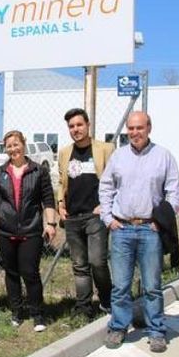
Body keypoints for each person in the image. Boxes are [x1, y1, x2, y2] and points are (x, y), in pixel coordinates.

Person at [99, 111, 179, 353]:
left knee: (152, 286)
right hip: (122, 228)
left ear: (149, 128)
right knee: (121, 285)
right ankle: (118, 327)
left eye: (140, 128)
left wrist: (162, 221)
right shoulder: (118, 156)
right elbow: (105, 188)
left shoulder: (163, 156)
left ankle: (156, 331)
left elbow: (175, 192)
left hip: (150, 230)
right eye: (131, 128)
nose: (135, 133)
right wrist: (107, 219)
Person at [0, 130, 56, 332]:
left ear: (23, 144)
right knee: (12, 273)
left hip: (31, 230)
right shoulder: (0, 173)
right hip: (6, 231)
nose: (13, 149)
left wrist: (50, 224)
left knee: (30, 272)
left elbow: (48, 198)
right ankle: (16, 312)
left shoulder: (38, 171)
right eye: (9, 146)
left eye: (16, 144)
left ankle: (37, 314)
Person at [57, 108, 114, 319]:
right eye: (71, 126)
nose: (75, 129)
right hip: (72, 217)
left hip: (96, 216)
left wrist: (106, 206)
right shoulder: (64, 152)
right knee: (79, 265)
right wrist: (60, 204)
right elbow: (61, 181)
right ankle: (83, 308)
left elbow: (117, 180)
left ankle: (107, 301)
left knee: (97, 261)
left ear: (88, 125)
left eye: (79, 125)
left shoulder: (105, 149)